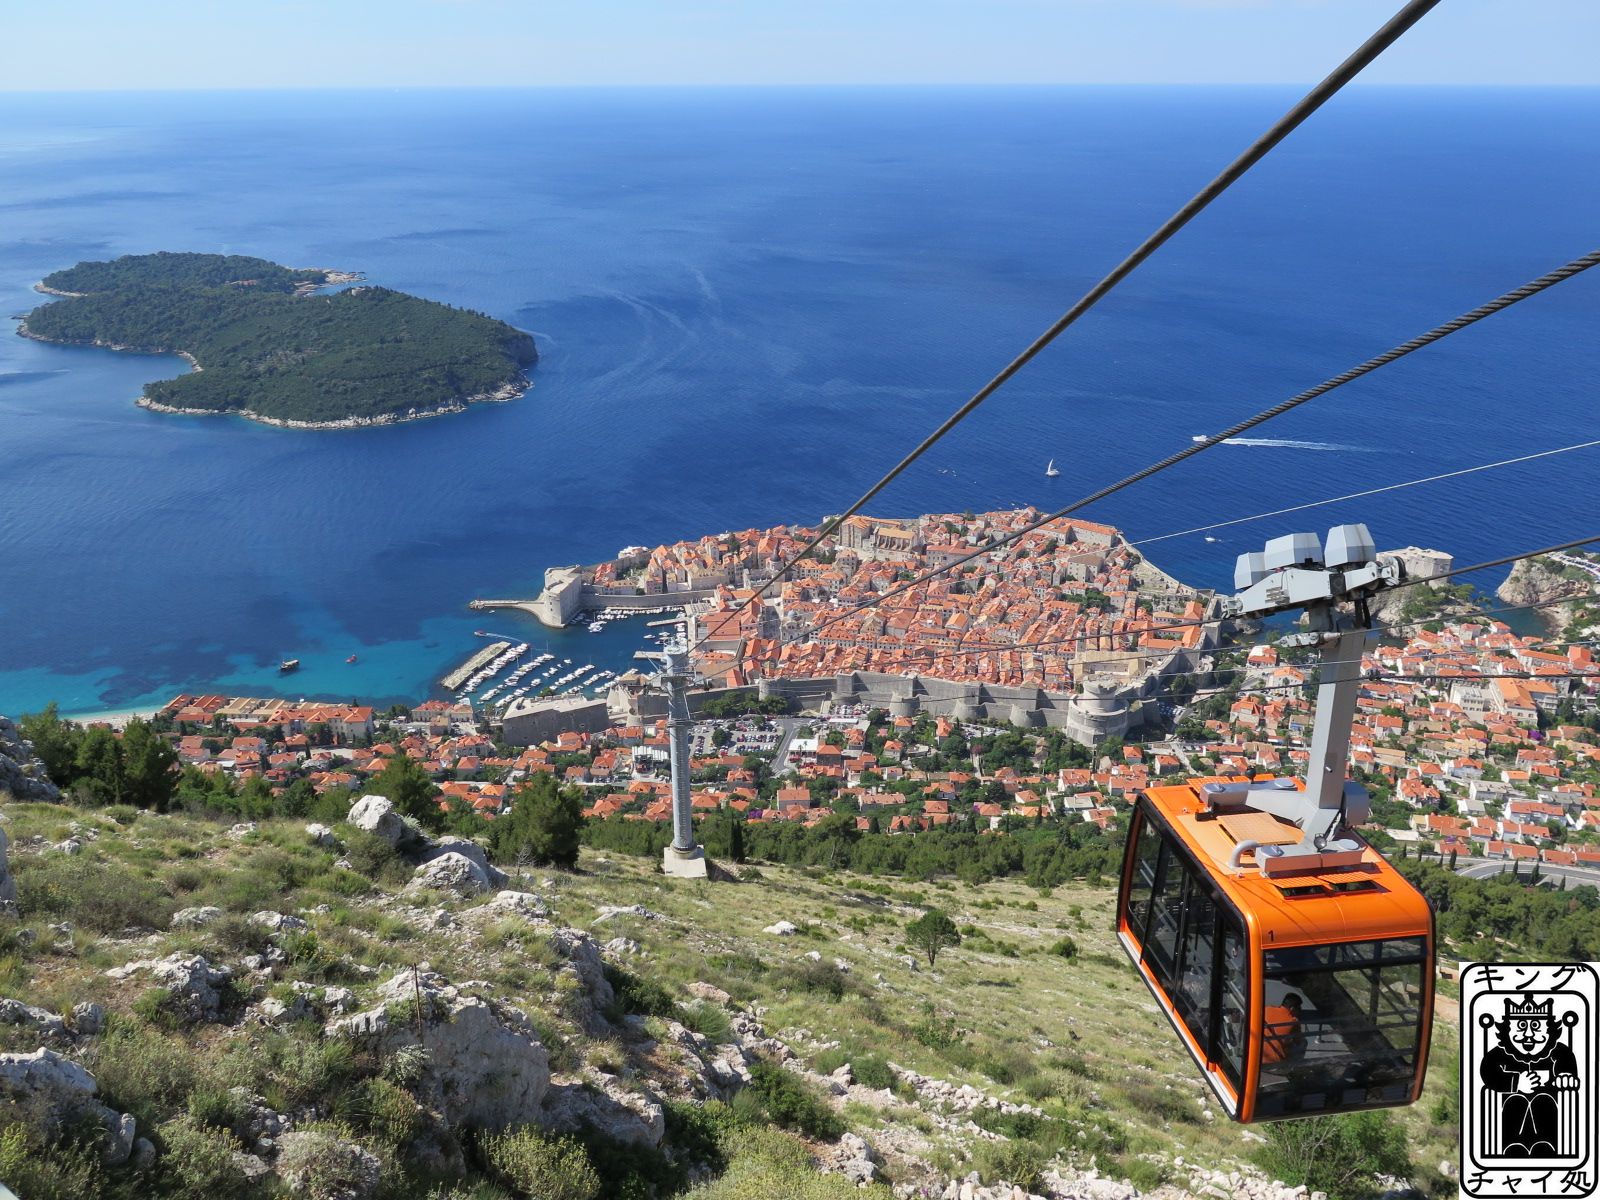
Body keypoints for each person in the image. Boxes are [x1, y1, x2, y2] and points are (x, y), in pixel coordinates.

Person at [1262, 993, 1305, 1064]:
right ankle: (1297, 1065)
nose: (1300, 1010)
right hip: (1276, 1065)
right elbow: (1298, 1041)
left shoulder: (1266, 1009)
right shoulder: (1293, 1021)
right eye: (1299, 1007)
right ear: (1292, 1008)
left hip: (1257, 1058)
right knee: (1304, 1042)